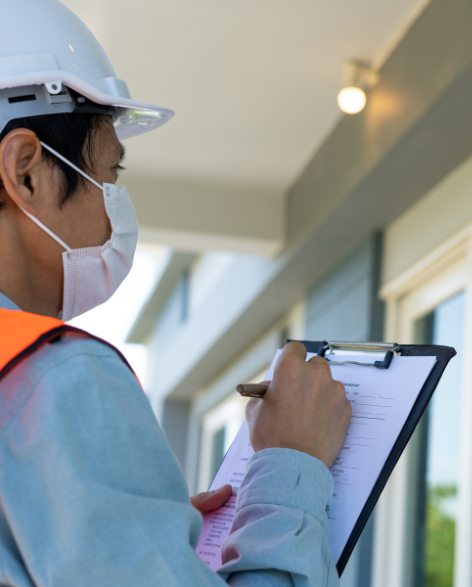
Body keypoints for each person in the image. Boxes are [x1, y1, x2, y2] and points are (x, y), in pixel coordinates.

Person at [0, 1, 352, 586]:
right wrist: (291, 469)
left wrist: (135, 535)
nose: (116, 211)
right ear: (27, 171)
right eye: (109, 175)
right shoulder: (54, 378)